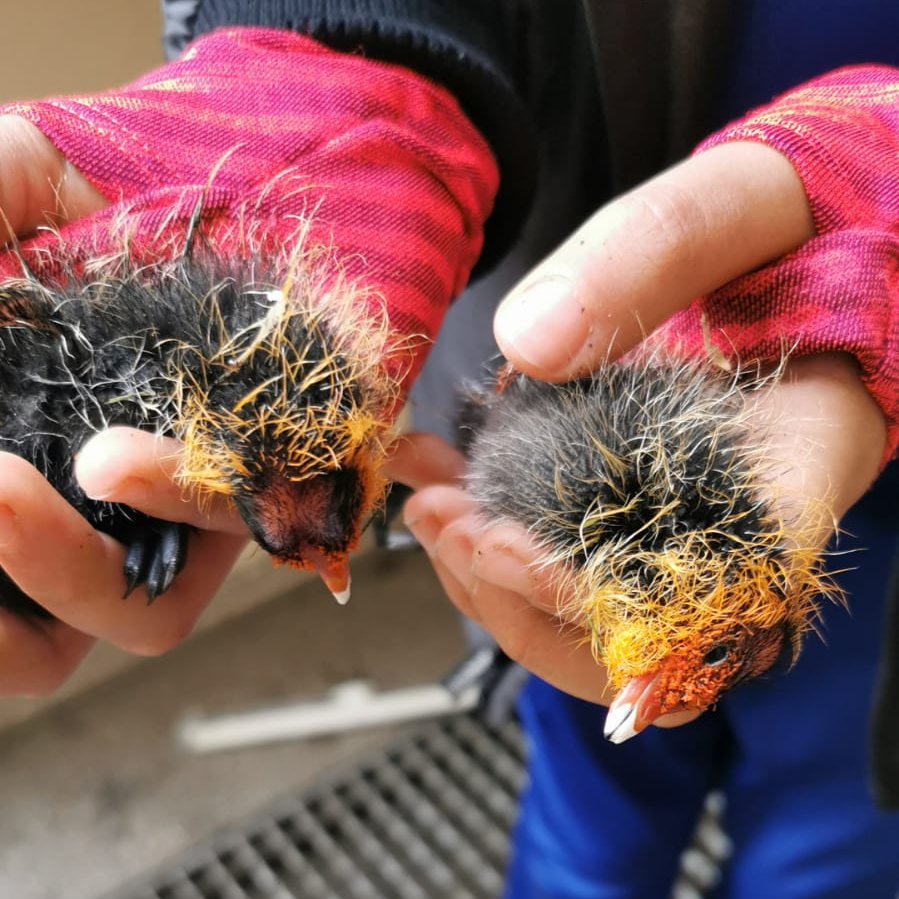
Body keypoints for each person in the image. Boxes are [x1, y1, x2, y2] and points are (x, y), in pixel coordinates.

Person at [0, 2, 897, 895]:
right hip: (567, 437)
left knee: (826, 824)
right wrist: (363, 55)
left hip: (847, 539)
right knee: (591, 774)